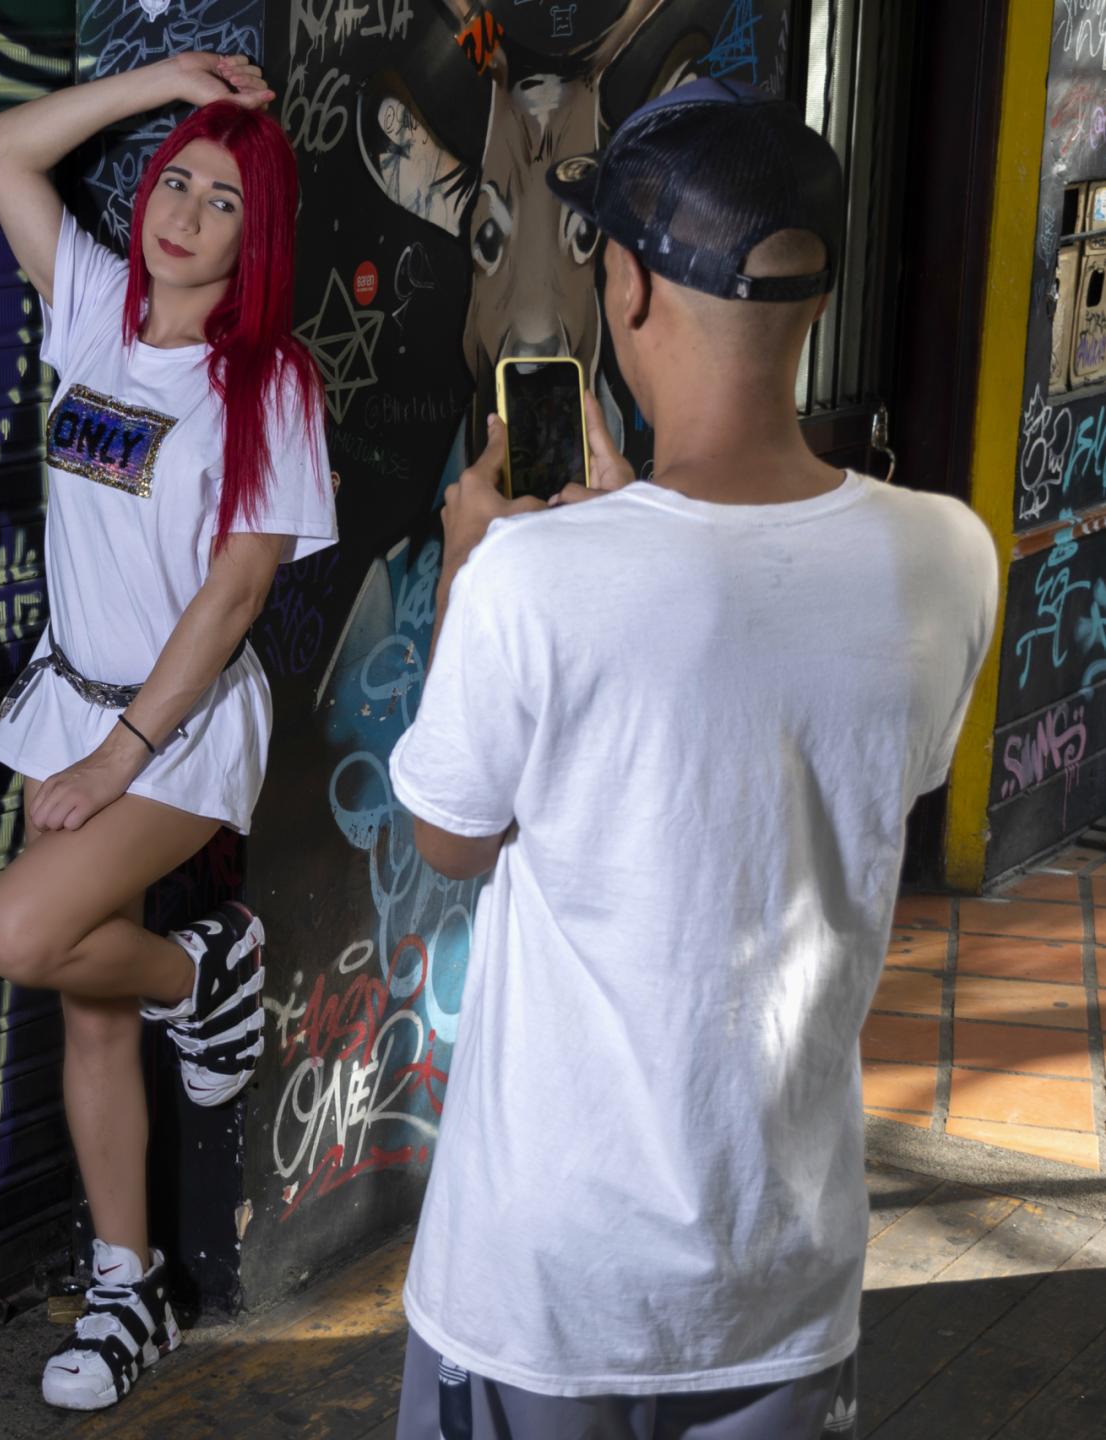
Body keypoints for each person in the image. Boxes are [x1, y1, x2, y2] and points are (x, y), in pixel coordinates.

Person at [387, 78, 998, 1439]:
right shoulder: (949, 556)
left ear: (626, 290)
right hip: (781, 1276)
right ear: (816, 293)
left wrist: (473, 572)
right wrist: (629, 540)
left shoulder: (535, 580)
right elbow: (820, 774)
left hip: (549, 1291)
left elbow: (451, 836)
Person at [0, 52, 337, 1413]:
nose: (183, 213)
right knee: (83, 998)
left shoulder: (268, 385)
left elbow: (235, 595)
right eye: (174, 182)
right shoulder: (92, 311)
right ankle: (130, 1287)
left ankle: (197, 972)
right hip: (69, 700)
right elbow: (0, 148)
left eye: (222, 200)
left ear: (256, 238)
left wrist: (116, 757)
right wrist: (162, 85)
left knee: (18, 930)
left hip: (176, 733)